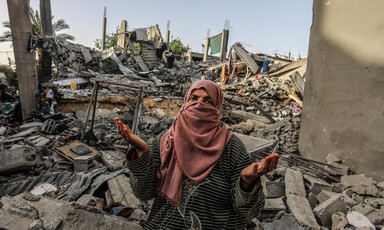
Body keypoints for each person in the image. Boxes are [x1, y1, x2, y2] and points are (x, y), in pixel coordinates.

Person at [115, 80, 279, 230]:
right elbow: (143, 193)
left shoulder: (233, 149)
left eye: (208, 101)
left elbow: (249, 212)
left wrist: (247, 182)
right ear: (185, 102)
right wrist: (142, 155)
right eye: (194, 99)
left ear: (218, 108)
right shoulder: (163, 143)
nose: (200, 105)